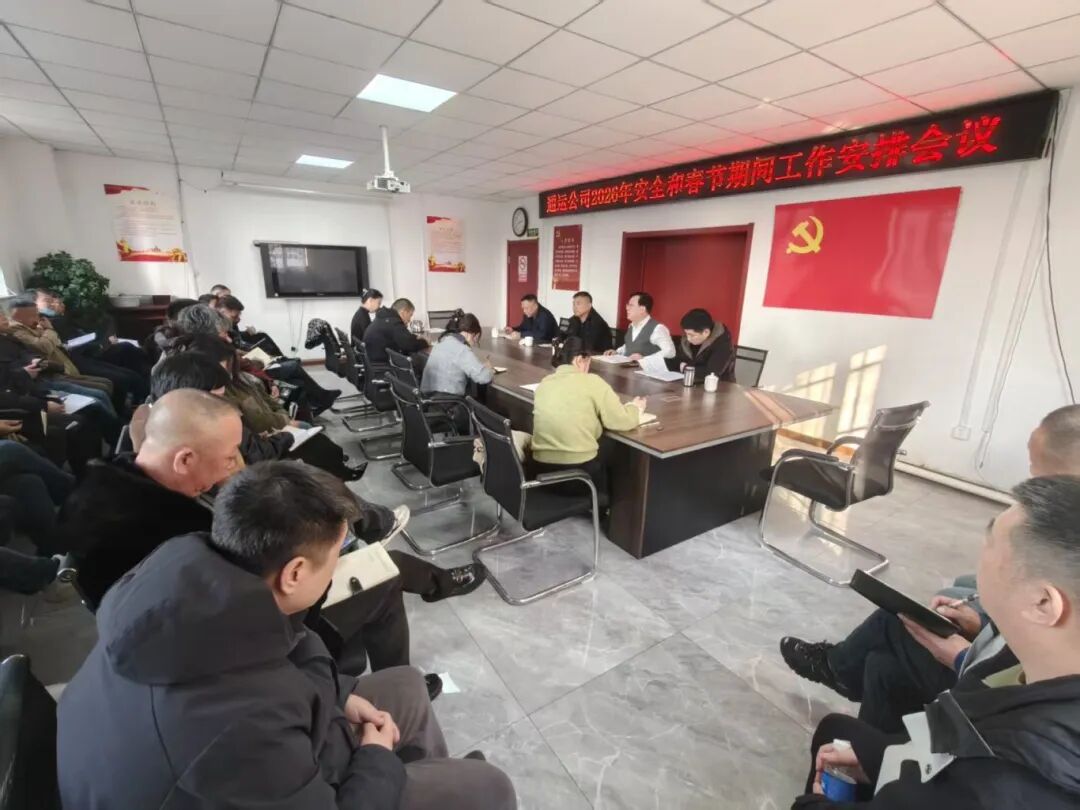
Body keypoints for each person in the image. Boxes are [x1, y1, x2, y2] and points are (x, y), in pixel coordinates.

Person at [58, 460, 517, 810]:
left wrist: (340, 694)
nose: (336, 569)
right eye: (334, 559)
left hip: (269, 760)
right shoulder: (240, 722)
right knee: (488, 786)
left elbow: (289, 648)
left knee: (407, 685)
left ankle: (428, 778)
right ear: (295, 572)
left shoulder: (192, 580)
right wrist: (376, 759)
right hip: (277, 777)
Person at [781, 404, 1080, 734]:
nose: (1030, 480)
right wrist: (980, 624)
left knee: (893, 634)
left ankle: (841, 678)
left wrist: (963, 659)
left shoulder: (1057, 563)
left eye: (1038, 472)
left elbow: (1019, 689)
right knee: (885, 660)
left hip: (986, 696)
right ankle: (871, 745)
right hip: (989, 668)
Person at [796, 475, 1080, 809]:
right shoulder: (1034, 670)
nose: (980, 555)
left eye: (991, 544)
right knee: (865, 691)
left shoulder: (990, 784)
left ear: (1043, 603)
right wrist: (885, 757)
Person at [530, 336, 644, 496]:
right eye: (589, 362)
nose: (589, 368)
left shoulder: (545, 382)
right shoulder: (593, 382)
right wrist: (635, 408)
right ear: (579, 360)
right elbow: (621, 421)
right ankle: (614, 504)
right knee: (619, 448)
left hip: (540, 472)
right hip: (577, 477)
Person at [420, 313, 494, 434]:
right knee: (483, 409)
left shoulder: (442, 342)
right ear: (472, 334)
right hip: (447, 407)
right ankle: (479, 441)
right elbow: (483, 377)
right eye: (476, 339)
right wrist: (489, 369)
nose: (474, 343)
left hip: (428, 403)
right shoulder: (461, 349)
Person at [605, 291, 675, 361]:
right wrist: (617, 352)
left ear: (642, 309)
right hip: (627, 366)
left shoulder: (658, 328)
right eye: (627, 305)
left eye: (631, 305)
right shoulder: (631, 326)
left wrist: (645, 358)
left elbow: (670, 352)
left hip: (646, 368)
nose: (627, 308)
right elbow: (629, 346)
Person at [674, 308, 735, 382]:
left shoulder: (723, 343)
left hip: (719, 386)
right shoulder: (687, 340)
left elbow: (711, 373)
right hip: (690, 382)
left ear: (706, 332)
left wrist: (685, 368)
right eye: (686, 334)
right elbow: (678, 362)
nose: (688, 339)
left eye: (692, 335)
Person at [216, 293, 286, 357]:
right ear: (222, 312)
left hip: (241, 347)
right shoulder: (215, 329)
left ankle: (280, 359)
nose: (238, 319)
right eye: (234, 317)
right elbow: (233, 350)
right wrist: (262, 356)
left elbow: (237, 339)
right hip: (237, 356)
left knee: (262, 336)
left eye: (238, 316)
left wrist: (246, 333)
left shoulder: (229, 324)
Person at [365, 297, 429, 367]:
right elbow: (409, 345)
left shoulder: (385, 318)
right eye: (410, 315)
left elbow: (405, 338)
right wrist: (425, 342)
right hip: (384, 365)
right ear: (404, 312)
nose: (410, 320)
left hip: (375, 362)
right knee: (421, 362)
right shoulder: (394, 322)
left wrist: (415, 337)